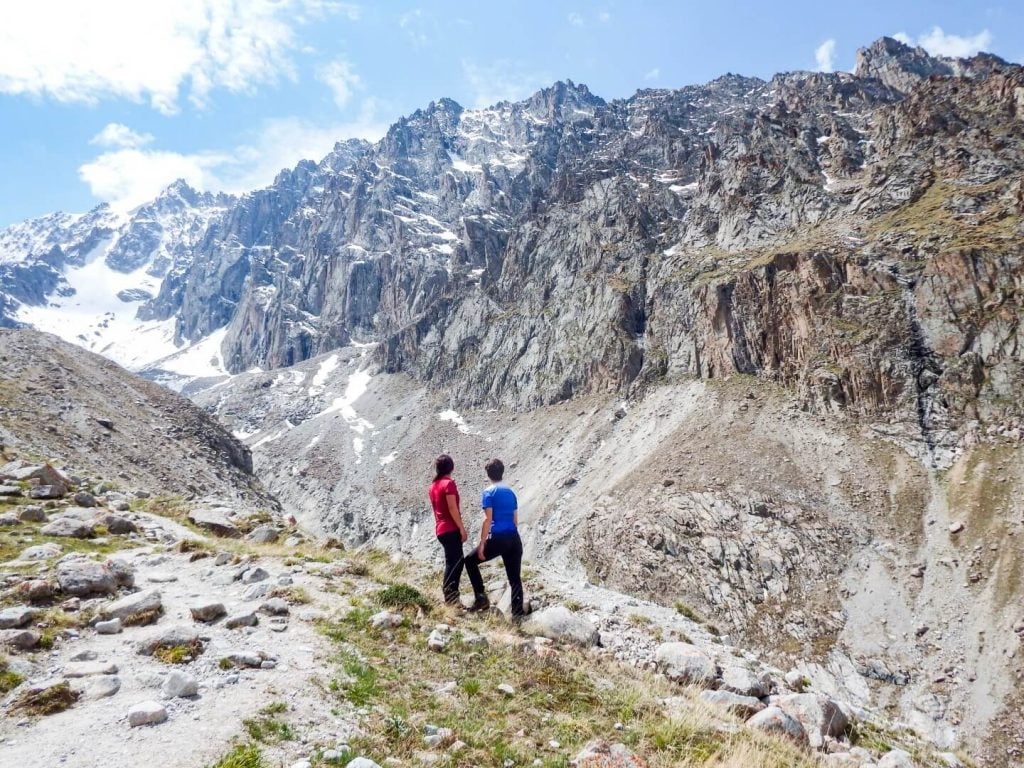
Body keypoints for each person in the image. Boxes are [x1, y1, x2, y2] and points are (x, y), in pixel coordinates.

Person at [462, 458, 524, 617]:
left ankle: (481, 597)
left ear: (488, 474)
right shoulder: (511, 493)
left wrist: (482, 543)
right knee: (514, 578)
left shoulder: (489, 492)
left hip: (498, 538)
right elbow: (515, 519)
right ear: (502, 472)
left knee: (469, 560)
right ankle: (517, 616)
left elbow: (487, 519)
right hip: (514, 538)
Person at [428, 454, 469, 605]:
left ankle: (450, 596)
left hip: (440, 528)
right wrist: (462, 528)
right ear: (451, 468)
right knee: (456, 563)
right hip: (450, 528)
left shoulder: (433, 485)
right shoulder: (448, 484)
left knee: (452, 562)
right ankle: (451, 598)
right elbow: (452, 508)